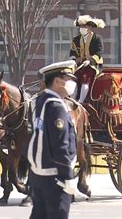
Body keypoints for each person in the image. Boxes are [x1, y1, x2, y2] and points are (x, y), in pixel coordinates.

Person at [27, 60, 78, 219]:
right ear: (57, 81)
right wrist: (68, 176)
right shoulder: (56, 107)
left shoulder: (39, 102)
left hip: (38, 175)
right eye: (68, 79)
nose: (71, 84)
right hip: (55, 178)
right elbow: (60, 145)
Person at [70, 15, 104, 103]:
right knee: (73, 78)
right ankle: (72, 99)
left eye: (84, 27)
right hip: (79, 65)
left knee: (85, 78)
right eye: (81, 27)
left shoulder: (97, 38)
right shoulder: (76, 39)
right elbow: (72, 52)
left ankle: (81, 101)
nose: (82, 28)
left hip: (93, 65)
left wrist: (90, 60)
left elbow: (99, 52)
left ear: (89, 27)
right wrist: (74, 59)